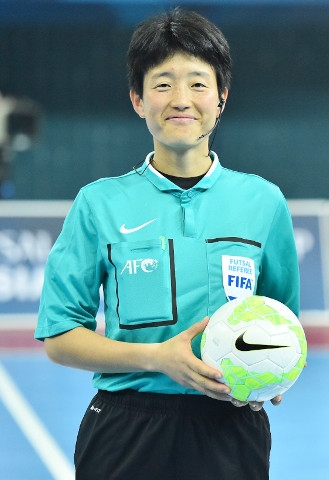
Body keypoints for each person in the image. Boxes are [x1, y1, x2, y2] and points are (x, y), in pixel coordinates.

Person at [35, 8, 299, 480]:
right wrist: (156, 358)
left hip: (231, 432)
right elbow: (59, 338)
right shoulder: (99, 203)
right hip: (124, 431)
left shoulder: (264, 202)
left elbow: (281, 321)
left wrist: (273, 371)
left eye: (198, 84)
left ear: (221, 98)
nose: (181, 99)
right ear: (138, 100)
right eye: (162, 84)